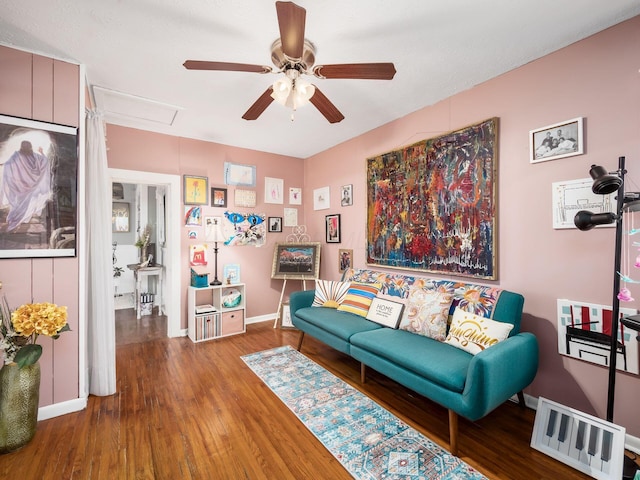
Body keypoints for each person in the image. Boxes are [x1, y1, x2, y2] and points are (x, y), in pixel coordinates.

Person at [0, 140, 51, 231]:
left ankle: (14, 221)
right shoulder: (29, 156)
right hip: (23, 187)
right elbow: (44, 161)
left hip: (20, 187)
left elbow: (9, 164)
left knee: (19, 205)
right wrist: (42, 153)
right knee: (21, 204)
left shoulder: (26, 156)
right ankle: (15, 221)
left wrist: (42, 153)